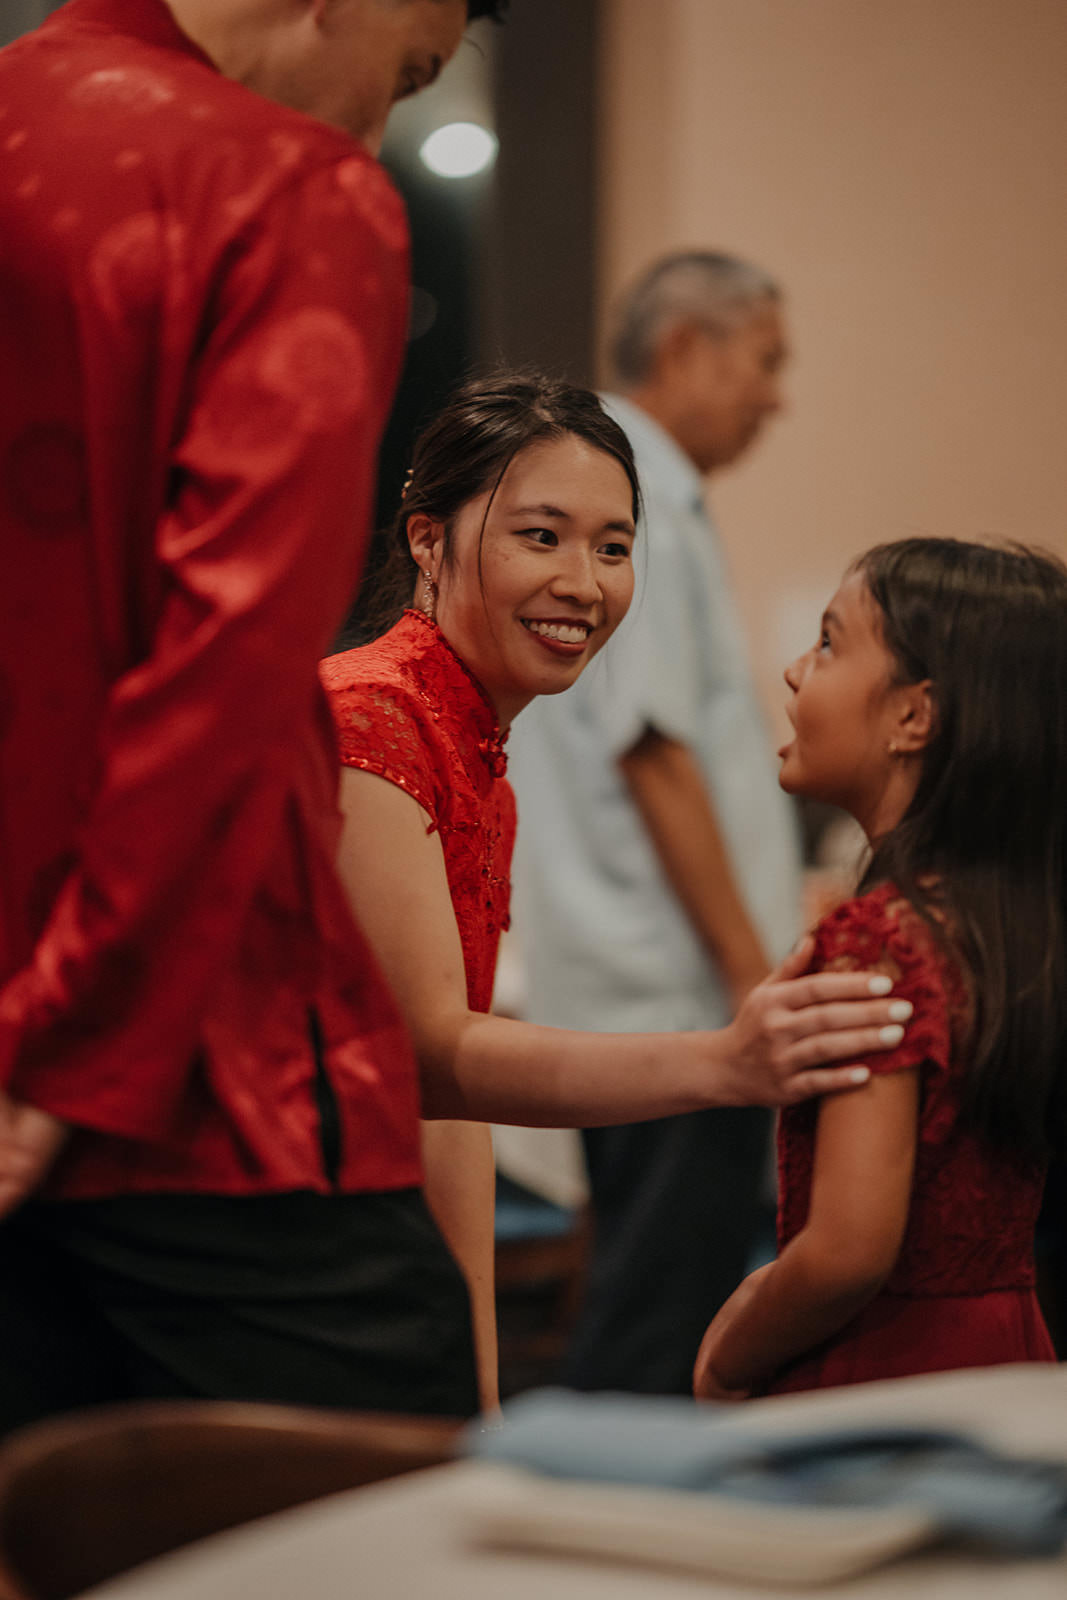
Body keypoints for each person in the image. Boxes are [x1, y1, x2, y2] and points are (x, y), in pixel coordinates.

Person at [0, 0, 508, 1431]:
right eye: (407, 76)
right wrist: (65, 1047)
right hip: (189, 1064)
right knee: (380, 1517)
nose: (375, 127)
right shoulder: (280, 186)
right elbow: (223, 666)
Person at [321, 373, 914, 1409]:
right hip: (276, 1240)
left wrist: (475, 1368)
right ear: (426, 539)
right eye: (539, 537)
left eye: (611, 546)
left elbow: (448, 1101)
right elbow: (430, 1056)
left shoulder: (468, 732)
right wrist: (726, 1060)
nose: (584, 584)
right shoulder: (374, 720)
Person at [509, 251, 802, 1393]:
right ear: (687, 347)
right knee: (657, 1322)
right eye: (764, 362)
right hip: (674, 990)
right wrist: (747, 977)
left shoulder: (644, 490)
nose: (775, 395)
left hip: (648, 979)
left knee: (652, 1295)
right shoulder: (635, 495)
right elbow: (653, 750)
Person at [694, 538, 1065, 1400]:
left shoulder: (881, 939)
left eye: (826, 643)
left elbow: (847, 1251)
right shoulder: (1009, 926)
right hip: (1012, 1354)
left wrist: (730, 1349)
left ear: (913, 717)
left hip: (889, 1373)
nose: (793, 671)